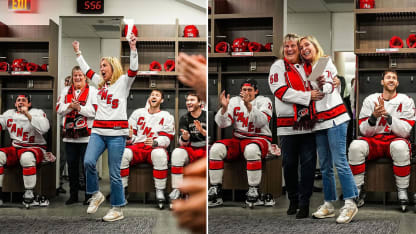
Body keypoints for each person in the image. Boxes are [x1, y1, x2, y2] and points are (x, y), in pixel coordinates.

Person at [72, 34, 137, 222]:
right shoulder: (100, 85)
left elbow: (133, 69)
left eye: (104, 66)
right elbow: (87, 70)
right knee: (88, 162)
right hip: (99, 132)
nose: (101, 70)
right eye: (100, 67)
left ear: (113, 67)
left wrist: (133, 49)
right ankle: (95, 194)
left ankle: (117, 208)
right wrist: (78, 53)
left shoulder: (123, 83)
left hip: (117, 133)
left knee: (114, 173)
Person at [299, 35, 358, 223]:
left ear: (315, 46)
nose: (303, 48)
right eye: (301, 47)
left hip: (336, 119)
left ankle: (350, 204)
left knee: (340, 161)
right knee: (324, 165)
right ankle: (329, 204)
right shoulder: (303, 69)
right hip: (320, 121)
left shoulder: (324, 62)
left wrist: (323, 85)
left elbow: (329, 87)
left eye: (306, 44)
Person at [268, 33, 323, 218]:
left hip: (308, 123)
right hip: (287, 124)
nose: (290, 49)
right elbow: (280, 91)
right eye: (286, 46)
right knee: (289, 163)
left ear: (299, 49)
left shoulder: (309, 66)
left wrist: (333, 83)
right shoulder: (278, 66)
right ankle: (293, 198)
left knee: (308, 164)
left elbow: (320, 88)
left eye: (293, 46)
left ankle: (305, 203)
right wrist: (307, 96)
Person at [348, 70, 415, 212]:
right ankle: (357, 190)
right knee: (355, 146)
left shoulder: (406, 100)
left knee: (400, 147)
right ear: (382, 82)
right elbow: (364, 131)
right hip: (375, 139)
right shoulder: (370, 100)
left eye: (394, 78)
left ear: (397, 83)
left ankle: (402, 192)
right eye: (388, 77)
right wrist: (373, 117)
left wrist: (388, 117)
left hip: (395, 139)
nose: (391, 80)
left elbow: (405, 131)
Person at [208, 79, 273, 208]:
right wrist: (224, 108)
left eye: (250, 90)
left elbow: (261, 122)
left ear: (256, 91)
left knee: (251, 150)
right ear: (240, 91)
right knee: (216, 149)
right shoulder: (234, 101)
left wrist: (249, 106)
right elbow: (222, 123)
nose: (246, 92)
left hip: (259, 138)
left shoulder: (264, 101)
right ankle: (216, 188)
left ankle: (254, 188)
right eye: (244, 90)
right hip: (238, 139)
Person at [119, 89, 175, 209]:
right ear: (149, 98)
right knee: (123, 153)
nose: (154, 96)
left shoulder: (166, 116)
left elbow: (167, 138)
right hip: (138, 146)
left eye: (157, 95)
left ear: (162, 100)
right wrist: (129, 137)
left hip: (154, 148)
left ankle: (159, 192)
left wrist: (156, 142)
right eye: (152, 95)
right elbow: (131, 136)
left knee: (160, 155)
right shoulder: (137, 113)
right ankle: (122, 191)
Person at [56, 66, 98, 205]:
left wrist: (79, 108)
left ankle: (89, 195)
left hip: (87, 136)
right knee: (72, 166)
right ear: (72, 77)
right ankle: (73, 195)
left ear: (85, 77)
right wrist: (70, 106)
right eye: (75, 75)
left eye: (80, 75)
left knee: (87, 167)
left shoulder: (92, 91)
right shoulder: (65, 90)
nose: (78, 78)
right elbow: (58, 109)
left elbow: (95, 111)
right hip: (69, 136)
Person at [0, 94, 50, 207]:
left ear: (29, 104)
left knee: (27, 157)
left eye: (24, 100)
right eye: (18, 100)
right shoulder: (9, 114)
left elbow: (45, 127)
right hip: (16, 147)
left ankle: (29, 193)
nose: (21, 102)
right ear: (15, 104)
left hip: (35, 147)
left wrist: (27, 114)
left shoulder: (37, 112)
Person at [169, 91, 206, 208]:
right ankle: (177, 190)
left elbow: (212, 138)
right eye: (187, 100)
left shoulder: (207, 116)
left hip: (205, 148)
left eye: (192, 100)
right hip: (191, 148)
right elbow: (183, 142)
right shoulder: (184, 118)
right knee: (177, 153)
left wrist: (202, 131)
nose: (188, 102)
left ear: (200, 102)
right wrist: (185, 138)